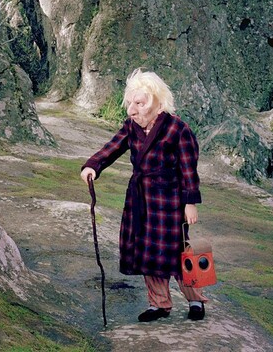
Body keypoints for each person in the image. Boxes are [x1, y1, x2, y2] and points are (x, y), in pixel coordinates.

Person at [80, 68, 209, 322]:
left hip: (170, 200)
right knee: (148, 251)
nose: (132, 109)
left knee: (180, 250)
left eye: (139, 103)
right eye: (130, 103)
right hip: (141, 199)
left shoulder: (178, 129)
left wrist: (190, 202)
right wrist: (92, 165)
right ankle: (159, 304)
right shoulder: (131, 127)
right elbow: (112, 147)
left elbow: (188, 169)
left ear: (157, 102)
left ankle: (196, 299)